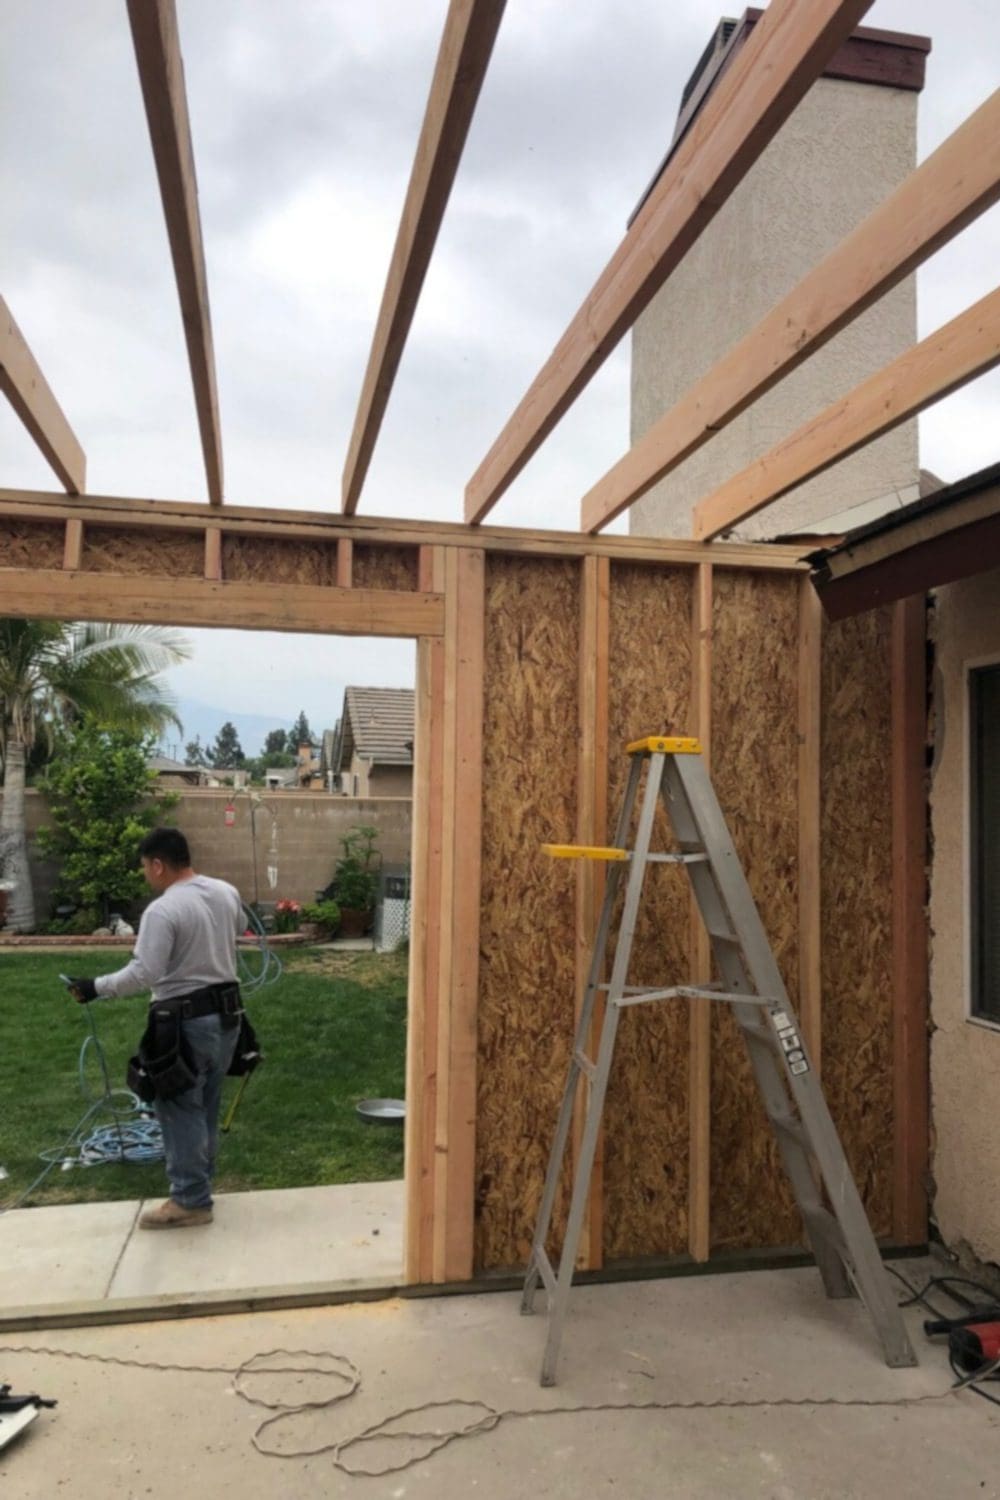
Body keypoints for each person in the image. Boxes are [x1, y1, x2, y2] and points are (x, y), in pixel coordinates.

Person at [69, 827, 244, 1230]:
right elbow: (229, 939)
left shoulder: (163, 911)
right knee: (205, 1106)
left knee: (180, 1108)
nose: (146, 874)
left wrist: (93, 988)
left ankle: (190, 1201)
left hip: (185, 1023)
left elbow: (144, 973)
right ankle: (199, 1187)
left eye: (146, 867)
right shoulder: (225, 893)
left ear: (159, 864)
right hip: (228, 1018)